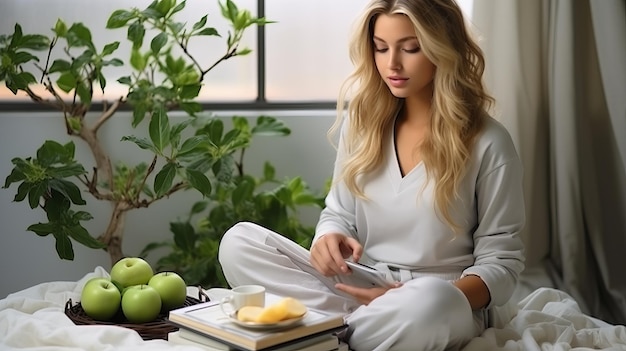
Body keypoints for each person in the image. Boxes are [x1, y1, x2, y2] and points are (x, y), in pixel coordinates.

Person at [218, 0, 525, 350]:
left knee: (431, 303)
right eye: (381, 48)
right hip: (362, 284)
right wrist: (329, 238)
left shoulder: (489, 143)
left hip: (441, 299)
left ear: (444, 48)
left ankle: (326, 331)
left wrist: (416, 298)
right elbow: (338, 214)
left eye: (410, 48)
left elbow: (502, 264)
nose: (391, 64)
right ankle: (350, 329)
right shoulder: (363, 125)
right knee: (239, 242)